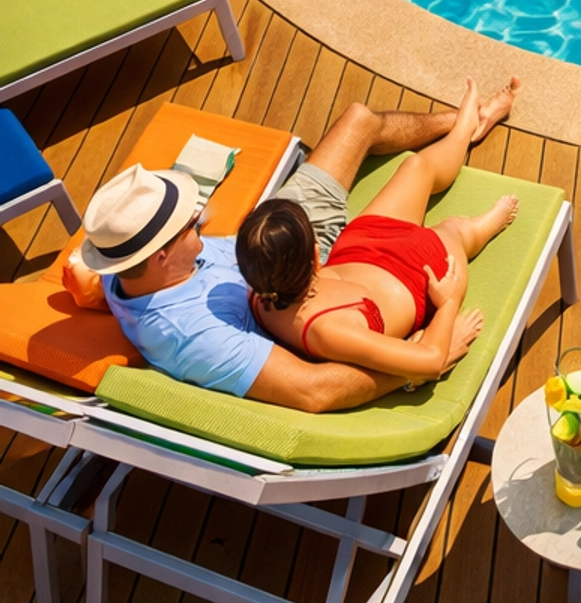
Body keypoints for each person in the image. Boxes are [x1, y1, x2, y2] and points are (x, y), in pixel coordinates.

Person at [82, 79, 518, 411]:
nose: (200, 216)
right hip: (305, 278)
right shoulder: (195, 337)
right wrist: (417, 364)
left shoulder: (122, 260)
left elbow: (90, 269)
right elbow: (315, 392)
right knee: (450, 228)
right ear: (160, 255)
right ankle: (465, 127)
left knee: (358, 120)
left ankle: (465, 123)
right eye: (189, 223)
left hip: (274, 241)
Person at [237, 80, 516, 378]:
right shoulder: (328, 330)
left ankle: (467, 126)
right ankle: (489, 221)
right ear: (317, 258)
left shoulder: (262, 284)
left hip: (362, 247)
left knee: (416, 168)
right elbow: (431, 361)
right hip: (418, 279)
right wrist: (448, 303)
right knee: (455, 228)